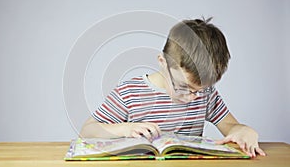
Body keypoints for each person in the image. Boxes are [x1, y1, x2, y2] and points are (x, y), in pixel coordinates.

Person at [80, 18, 266, 157]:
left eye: (199, 90)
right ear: (163, 62)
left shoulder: (206, 94)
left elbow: (231, 126)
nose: (192, 96)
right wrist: (125, 129)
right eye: (183, 86)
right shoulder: (129, 93)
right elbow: (87, 131)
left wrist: (243, 130)